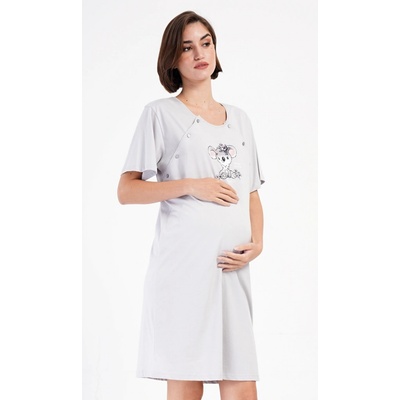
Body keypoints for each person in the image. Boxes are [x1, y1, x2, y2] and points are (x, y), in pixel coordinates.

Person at [117, 10, 265, 400]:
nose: (199, 54)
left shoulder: (240, 120)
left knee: (241, 383)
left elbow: (251, 192)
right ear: (172, 58)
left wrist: (258, 243)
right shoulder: (160, 114)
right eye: (186, 47)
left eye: (206, 43)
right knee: (186, 383)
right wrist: (190, 185)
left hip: (231, 271)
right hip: (183, 272)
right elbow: (127, 191)